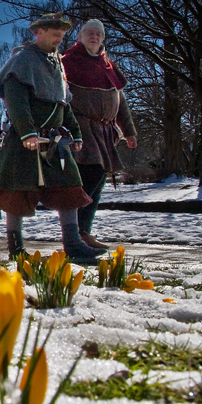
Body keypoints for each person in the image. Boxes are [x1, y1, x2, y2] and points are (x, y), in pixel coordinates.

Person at [0, 12, 104, 264]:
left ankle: (73, 245)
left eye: (62, 36)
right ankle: (16, 249)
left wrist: (74, 132)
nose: (59, 41)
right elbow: (16, 100)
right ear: (38, 33)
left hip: (55, 143)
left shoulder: (56, 62)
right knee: (16, 193)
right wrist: (27, 132)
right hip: (25, 141)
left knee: (69, 188)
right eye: (55, 35)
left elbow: (64, 103)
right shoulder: (22, 61)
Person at [62, 19, 138, 249]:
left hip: (105, 131)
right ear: (80, 37)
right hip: (81, 127)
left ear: (103, 38)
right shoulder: (68, 62)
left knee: (100, 178)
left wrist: (129, 132)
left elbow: (120, 103)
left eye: (98, 34)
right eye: (89, 33)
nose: (94, 37)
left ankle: (84, 231)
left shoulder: (109, 66)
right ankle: (74, 232)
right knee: (90, 175)